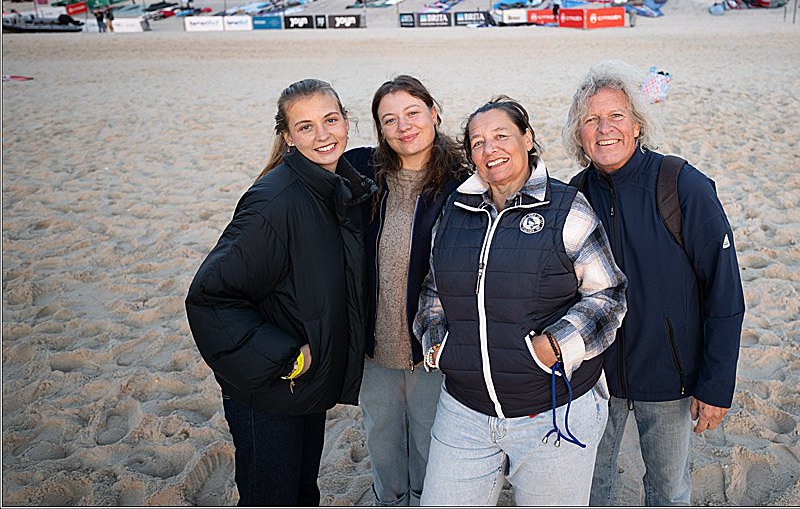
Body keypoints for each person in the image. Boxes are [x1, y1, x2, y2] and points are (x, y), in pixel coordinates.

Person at [414, 97, 627, 506]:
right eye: (477, 142)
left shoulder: (567, 208)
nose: (489, 149)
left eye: (500, 136)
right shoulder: (455, 213)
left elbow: (608, 295)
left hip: (552, 412)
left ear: (527, 139)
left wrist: (556, 347)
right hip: (465, 411)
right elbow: (433, 289)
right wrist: (437, 346)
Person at [561, 61, 744, 507]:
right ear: (579, 135)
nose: (604, 129)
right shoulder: (574, 193)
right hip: (594, 376)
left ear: (638, 124)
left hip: (670, 376)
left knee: (667, 492)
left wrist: (715, 386)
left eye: (616, 116)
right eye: (591, 120)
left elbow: (725, 293)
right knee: (588, 489)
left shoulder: (682, 185)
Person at [186, 79, 375, 506]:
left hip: (301, 385)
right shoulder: (277, 201)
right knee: (272, 497)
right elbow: (210, 297)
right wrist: (286, 357)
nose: (323, 135)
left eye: (330, 120)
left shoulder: (335, 187)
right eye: (305, 127)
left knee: (301, 493)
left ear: (347, 121)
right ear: (288, 137)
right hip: (269, 388)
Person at [345, 76, 467, 507]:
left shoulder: (464, 184)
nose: (404, 127)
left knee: (430, 445)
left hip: (433, 349)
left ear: (434, 113)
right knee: (382, 444)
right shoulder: (360, 174)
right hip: (374, 348)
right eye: (389, 120)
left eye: (413, 113)